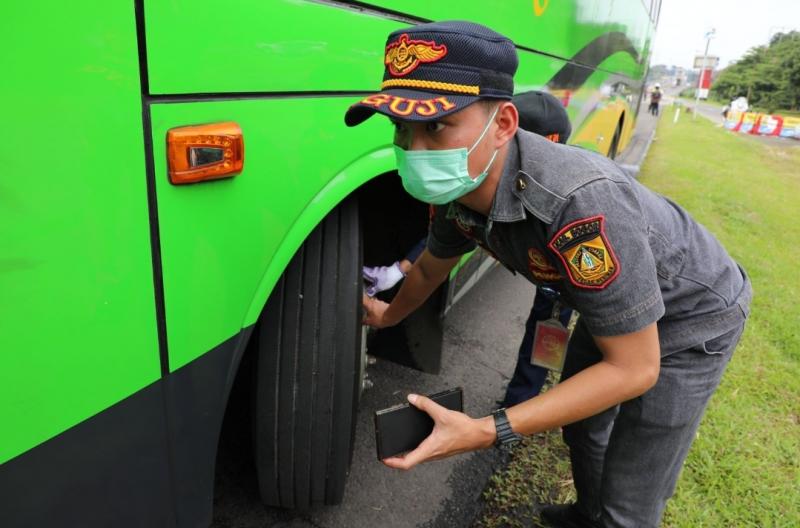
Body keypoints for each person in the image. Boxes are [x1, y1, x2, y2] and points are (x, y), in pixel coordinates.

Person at [346, 21, 751, 528]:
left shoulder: (579, 205)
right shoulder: (460, 191)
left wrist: (488, 430)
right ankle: (586, 515)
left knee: (631, 493)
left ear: (503, 123)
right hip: (608, 305)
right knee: (582, 430)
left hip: (693, 316)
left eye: (436, 126)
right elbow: (429, 268)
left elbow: (633, 368)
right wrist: (387, 315)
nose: (414, 149)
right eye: (401, 129)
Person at [363, 91, 575, 407]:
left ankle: (525, 403)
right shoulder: (465, 200)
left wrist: (499, 428)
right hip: (555, 276)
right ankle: (522, 401)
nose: (413, 149)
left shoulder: (572, 212)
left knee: (556, 336)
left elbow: (630, 364)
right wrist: (390, 308)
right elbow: (434, 256)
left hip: (615, 295)